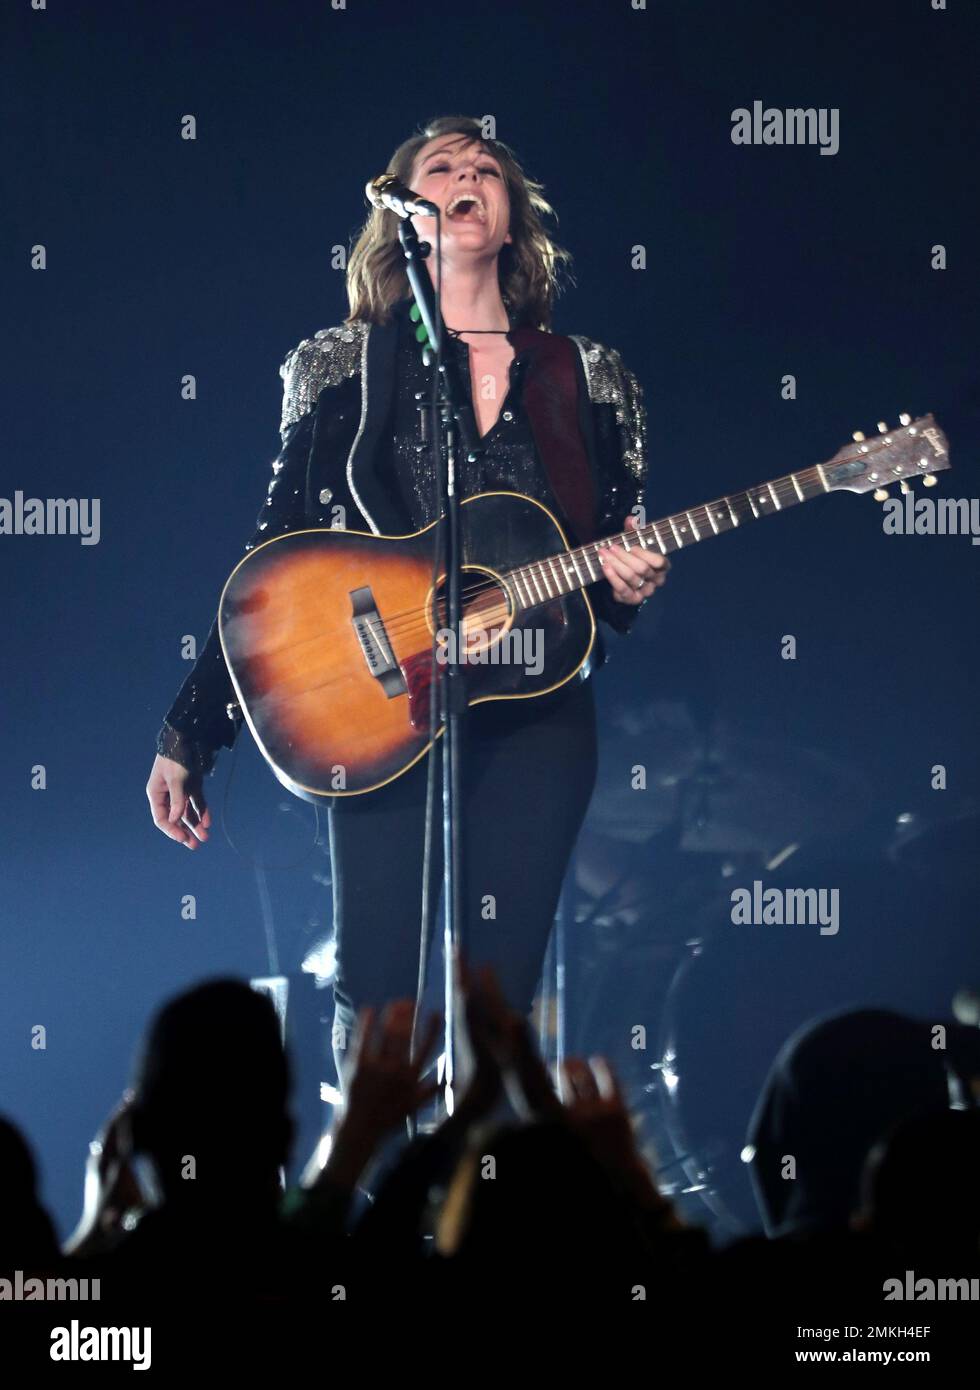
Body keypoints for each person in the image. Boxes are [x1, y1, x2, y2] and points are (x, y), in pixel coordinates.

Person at [145, 115, 668, 1082]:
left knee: (497, 996)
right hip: (379, 701)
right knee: (379, 991)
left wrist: (630, 574)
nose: (468, 175)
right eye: (443, 167)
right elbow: (274, 559)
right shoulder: (336, 365)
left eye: (486, 169)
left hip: (533, 708)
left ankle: (486, 1199)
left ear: (510, 219)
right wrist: (193, 730)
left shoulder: (589, 377)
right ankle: (372, 1192)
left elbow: (616, 559)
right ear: (403, 213)